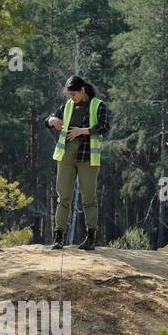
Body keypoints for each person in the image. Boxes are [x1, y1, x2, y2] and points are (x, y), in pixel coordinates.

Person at [46, 75, 110, 250]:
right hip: (65, 157)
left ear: (83, 91)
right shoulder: (67, 105)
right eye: (69, 95)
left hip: (87, 158)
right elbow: (51, 118)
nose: (71, 98)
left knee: (89, 199)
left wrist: (83, 131)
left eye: (73, 94)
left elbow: (104, 126)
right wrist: (52, 120)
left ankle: (91, 237)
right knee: (63, 198)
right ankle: (58, 237)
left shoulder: (98, 105)